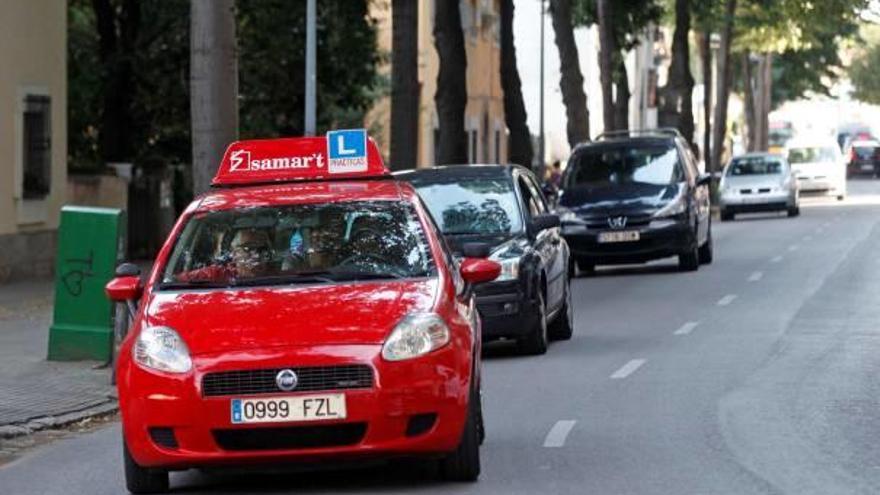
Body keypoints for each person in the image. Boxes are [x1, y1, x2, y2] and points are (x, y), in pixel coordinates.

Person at [177, 229, 273, 282]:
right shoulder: (216, 274)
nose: (256, 254)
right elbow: (175, 280)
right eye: (247, 248)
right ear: (234, 253)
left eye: (261, 249)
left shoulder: (278, 276)